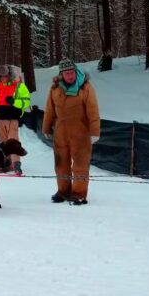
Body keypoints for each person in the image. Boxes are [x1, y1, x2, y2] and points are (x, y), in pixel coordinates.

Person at [41, 59, 100, 205]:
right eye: (67, 73)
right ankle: (63, 191)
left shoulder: (85, 87)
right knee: (61, 165)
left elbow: (93, 110)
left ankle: (79, 193)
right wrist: (46, 128)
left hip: (81, 132)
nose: (70, 76)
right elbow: (50, 109)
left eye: (72, 72)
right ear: (61, 74)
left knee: (80, 165)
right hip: (61, 132)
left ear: (76, 71)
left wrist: (95, 131)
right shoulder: (55, 88)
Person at [0, 64, 31, 174]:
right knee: (3, 144)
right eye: (1, 76)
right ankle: (6, 164)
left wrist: (14, 102)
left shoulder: (19, 86)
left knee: (13, 142)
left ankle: (16, 164)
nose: (3, 78)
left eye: (5, 76)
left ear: (10, 75)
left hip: (12, 119)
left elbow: (26, 102)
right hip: (0, 120)